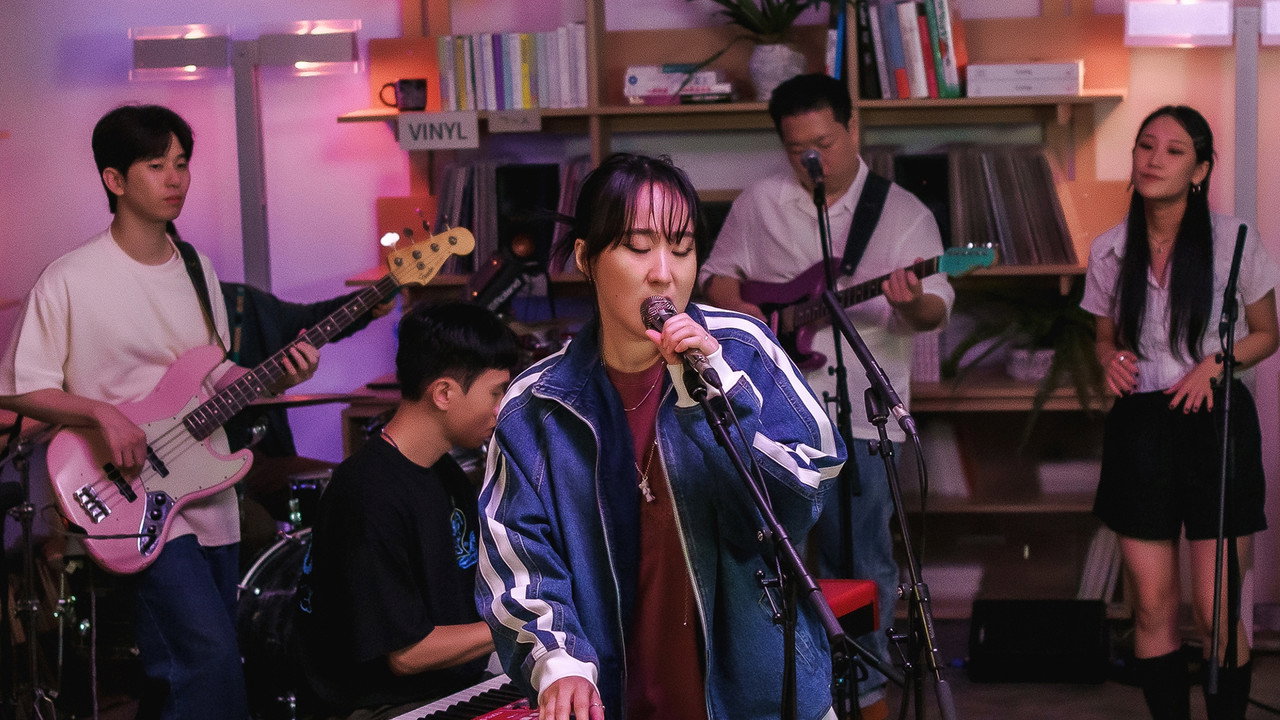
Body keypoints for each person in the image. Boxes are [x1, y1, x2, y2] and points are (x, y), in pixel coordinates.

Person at [476, 153, 846, 720]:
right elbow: (517, 558)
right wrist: (559, 662)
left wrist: (715, 391)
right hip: (619, 698)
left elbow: (799, 504)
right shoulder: (537, 404)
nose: (663, 273)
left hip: (761, 698)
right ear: (586, 259)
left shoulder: (743, 350)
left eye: (682, 247)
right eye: (637, 246)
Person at [0, 104, 320, 720]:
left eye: (181, 163)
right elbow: (18, 388)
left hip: (208, 488)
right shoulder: (70, 278)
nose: (175, 179)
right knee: (208, 660)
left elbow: (213, 373)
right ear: (114, 179)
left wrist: (278, 374)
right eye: (155, 165)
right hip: (131, 493)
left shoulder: (197, 268)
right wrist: (102, 413)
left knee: (190, 669)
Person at [700, 72, 954, 713]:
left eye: (825, 143)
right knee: (767, 563)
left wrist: (911, 300)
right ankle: (782, 695)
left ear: (852, 127)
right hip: (771, 418)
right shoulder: (760, 203)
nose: (813, 159)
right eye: (797, 150)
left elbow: (934, 311)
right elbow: (716, 276)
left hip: (863, 420)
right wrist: (748, 311)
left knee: (861, 564)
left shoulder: (903, 214)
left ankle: (866, 698)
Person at [1081, 106, 1278, 720]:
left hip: (1215, 421)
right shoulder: (1110, 249)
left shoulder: (1235, 240)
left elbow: (1267, 332)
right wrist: (1110, 358)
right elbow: (1104, 336)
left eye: (1173, 150)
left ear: (1200, 170)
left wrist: (1216, 363)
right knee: (1151, 607)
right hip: (1141, 427)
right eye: (1146, 146)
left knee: (1216, 611)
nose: (1154, 159)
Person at [296, 301, 518, 719]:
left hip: (448, 689)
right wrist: (524, 620)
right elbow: (408, 655)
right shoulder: (368, 494)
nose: (502, 407)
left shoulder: (445, 473)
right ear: (444, 393)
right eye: (496, 392)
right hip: (380, 706)